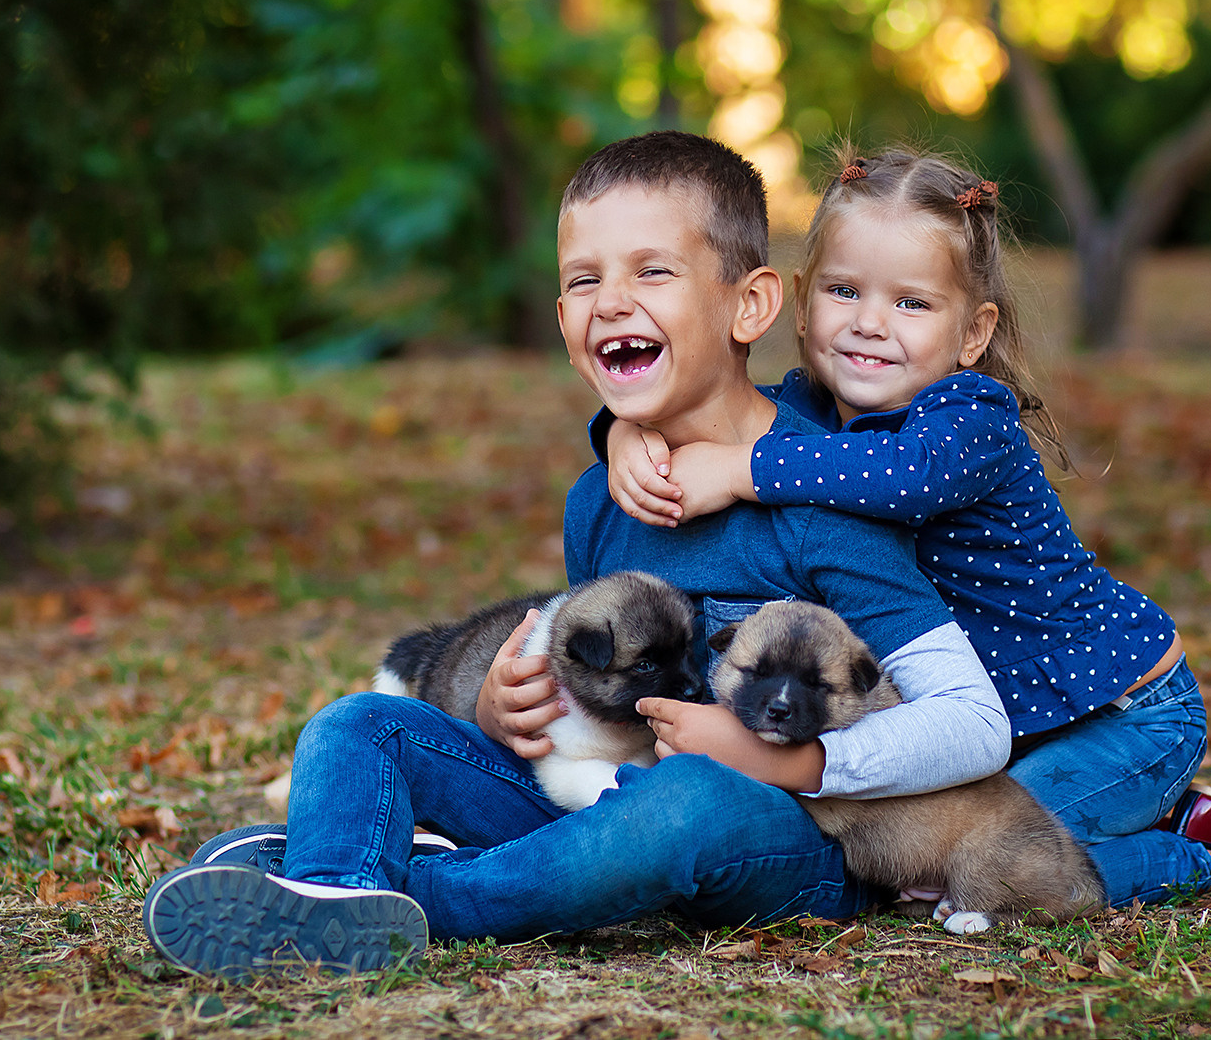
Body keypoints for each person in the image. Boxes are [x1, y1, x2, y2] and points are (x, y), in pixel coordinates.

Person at [140, 132, 1010, 976]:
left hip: (779, 838)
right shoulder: (598, 499)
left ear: (750, 304)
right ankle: (331, 895)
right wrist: (500, 711)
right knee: (357, 722)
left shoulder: (821, 496)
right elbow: (585, 701)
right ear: (562, 318)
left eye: (652, 270)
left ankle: (396, 888)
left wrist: (792, 761)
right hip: (596, 803)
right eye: (584, 279)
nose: (612, 300)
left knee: (682, 805)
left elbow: (971, 723)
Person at [601, 146, 1211, 907]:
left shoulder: (970, 418)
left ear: (972, 333)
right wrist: (620, 430)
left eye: (912, 303)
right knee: (941, 858)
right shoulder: (808, 407)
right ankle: (1162, 811)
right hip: (1022, 723)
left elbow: (906, 478)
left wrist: (740, 469)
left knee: (995, 868)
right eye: (844, 290)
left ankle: (1207, 855)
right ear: (803, 305)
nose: (870, 323)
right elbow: (709, 402)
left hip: (1128, 710)